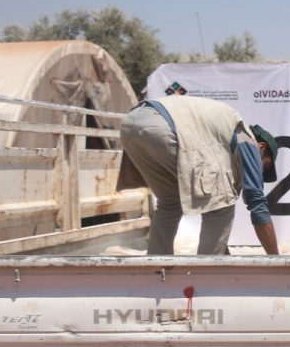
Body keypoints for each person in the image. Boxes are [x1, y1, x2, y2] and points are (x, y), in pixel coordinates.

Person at [119, 94, 280, 255]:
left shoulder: (224, 136)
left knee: (170, 202)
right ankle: (207, 273)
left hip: (131, 123)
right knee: (221, 205)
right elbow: (256, 201)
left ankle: (156, 267)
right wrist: (276, 259)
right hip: (161, 126)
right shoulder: (248, 140)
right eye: (266, 166)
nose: (262, 172)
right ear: (262, 147)